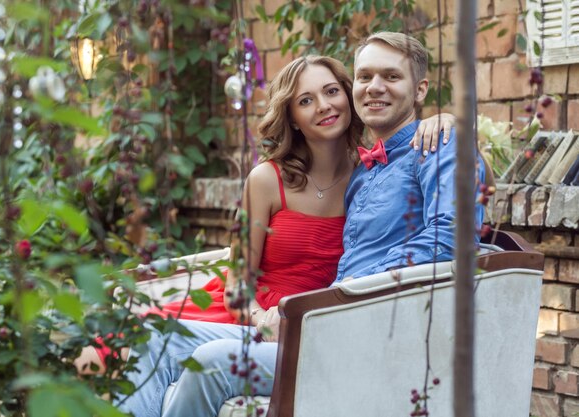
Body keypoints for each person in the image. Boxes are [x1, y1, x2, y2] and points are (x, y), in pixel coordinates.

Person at [124, 32, 484, 417]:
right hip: (310, 321)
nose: (375, 87)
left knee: (211, 362)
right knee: (154, 337)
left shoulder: (438, 144)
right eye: (365, 77)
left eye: (391, 77)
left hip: (358, 328)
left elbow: (452, 235)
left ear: (419, 89)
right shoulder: (364, 172)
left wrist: (341, 295)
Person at [75, 54, 457, 376]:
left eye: (331, 92)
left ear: (348, 97)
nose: (323, 106)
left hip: (315, 317)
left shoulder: (373, 175)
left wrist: (450, 123)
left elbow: (459, 189)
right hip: (250, 315)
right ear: (291, 117)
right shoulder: (266, 180)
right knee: (113, 348)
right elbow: (237, 285)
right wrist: (262, 319)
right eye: (305, 101)